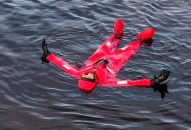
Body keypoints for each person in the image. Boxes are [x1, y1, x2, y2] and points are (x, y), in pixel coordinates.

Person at [41, 19, 170, 98]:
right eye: (89, 77)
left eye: (85, 76)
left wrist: (48, 55)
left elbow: (64, 65)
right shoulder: (107, 82)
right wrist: (153, 81)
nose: (88, 74)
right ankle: (140, 39)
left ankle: (117, 35)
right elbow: (130, 83)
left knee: (106, 45)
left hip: (95, 59)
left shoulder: (79, 74)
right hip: (113, 62)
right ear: (94, 83)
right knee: (128, 50)